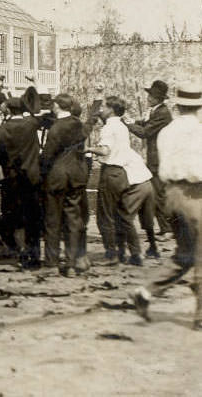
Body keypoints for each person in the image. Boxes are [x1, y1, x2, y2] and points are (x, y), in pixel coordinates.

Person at [131, 83, 202, 329]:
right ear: (199, 106)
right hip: (195, 194)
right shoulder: (199, 131)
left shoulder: (167, 132)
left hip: (171, 194)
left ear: (178, 105)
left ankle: (146, 291)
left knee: (184, 255)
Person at [85, 96, 154, 266]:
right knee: (124, 215)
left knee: (105, 216)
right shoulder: (123, 126)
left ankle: (112, 254)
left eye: (104, 107)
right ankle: (136, 253)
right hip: (123, 173)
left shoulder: (109, 127)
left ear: (111, 110)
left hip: (110, 171)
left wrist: (88, 149)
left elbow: (105, 150)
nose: (101, 110)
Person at [0, 96, 43, 268]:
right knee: (33, 217)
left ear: (8, 111)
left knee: (15, 216)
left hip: (12, 178)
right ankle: (34, 256)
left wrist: (3, 160)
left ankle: (20, 252)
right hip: (32, 176)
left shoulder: (2, 129)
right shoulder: (31, 124)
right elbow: (36, 113)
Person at [40, 93, 89, 277]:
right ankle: (71, 264)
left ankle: (52, 264)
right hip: (76, 176)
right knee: (73, 219)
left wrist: (41, 172)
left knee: (53, 221)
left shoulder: (56, 128)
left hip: (57, 177)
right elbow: (87, 129)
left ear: (57, 106)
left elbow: (47, 156)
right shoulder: (78, 124)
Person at [125, 79, 174, 242]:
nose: (148, 98)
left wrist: (128, 123)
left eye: (150, 95)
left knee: (159, 193)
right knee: (156, 193)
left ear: (157, 98)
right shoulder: (156, 111)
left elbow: (145, 132)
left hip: (159, 159)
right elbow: (144, 123)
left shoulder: (162, 113)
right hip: (155, 158)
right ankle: (164, 228)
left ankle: (167, 230)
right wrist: (133, 121)